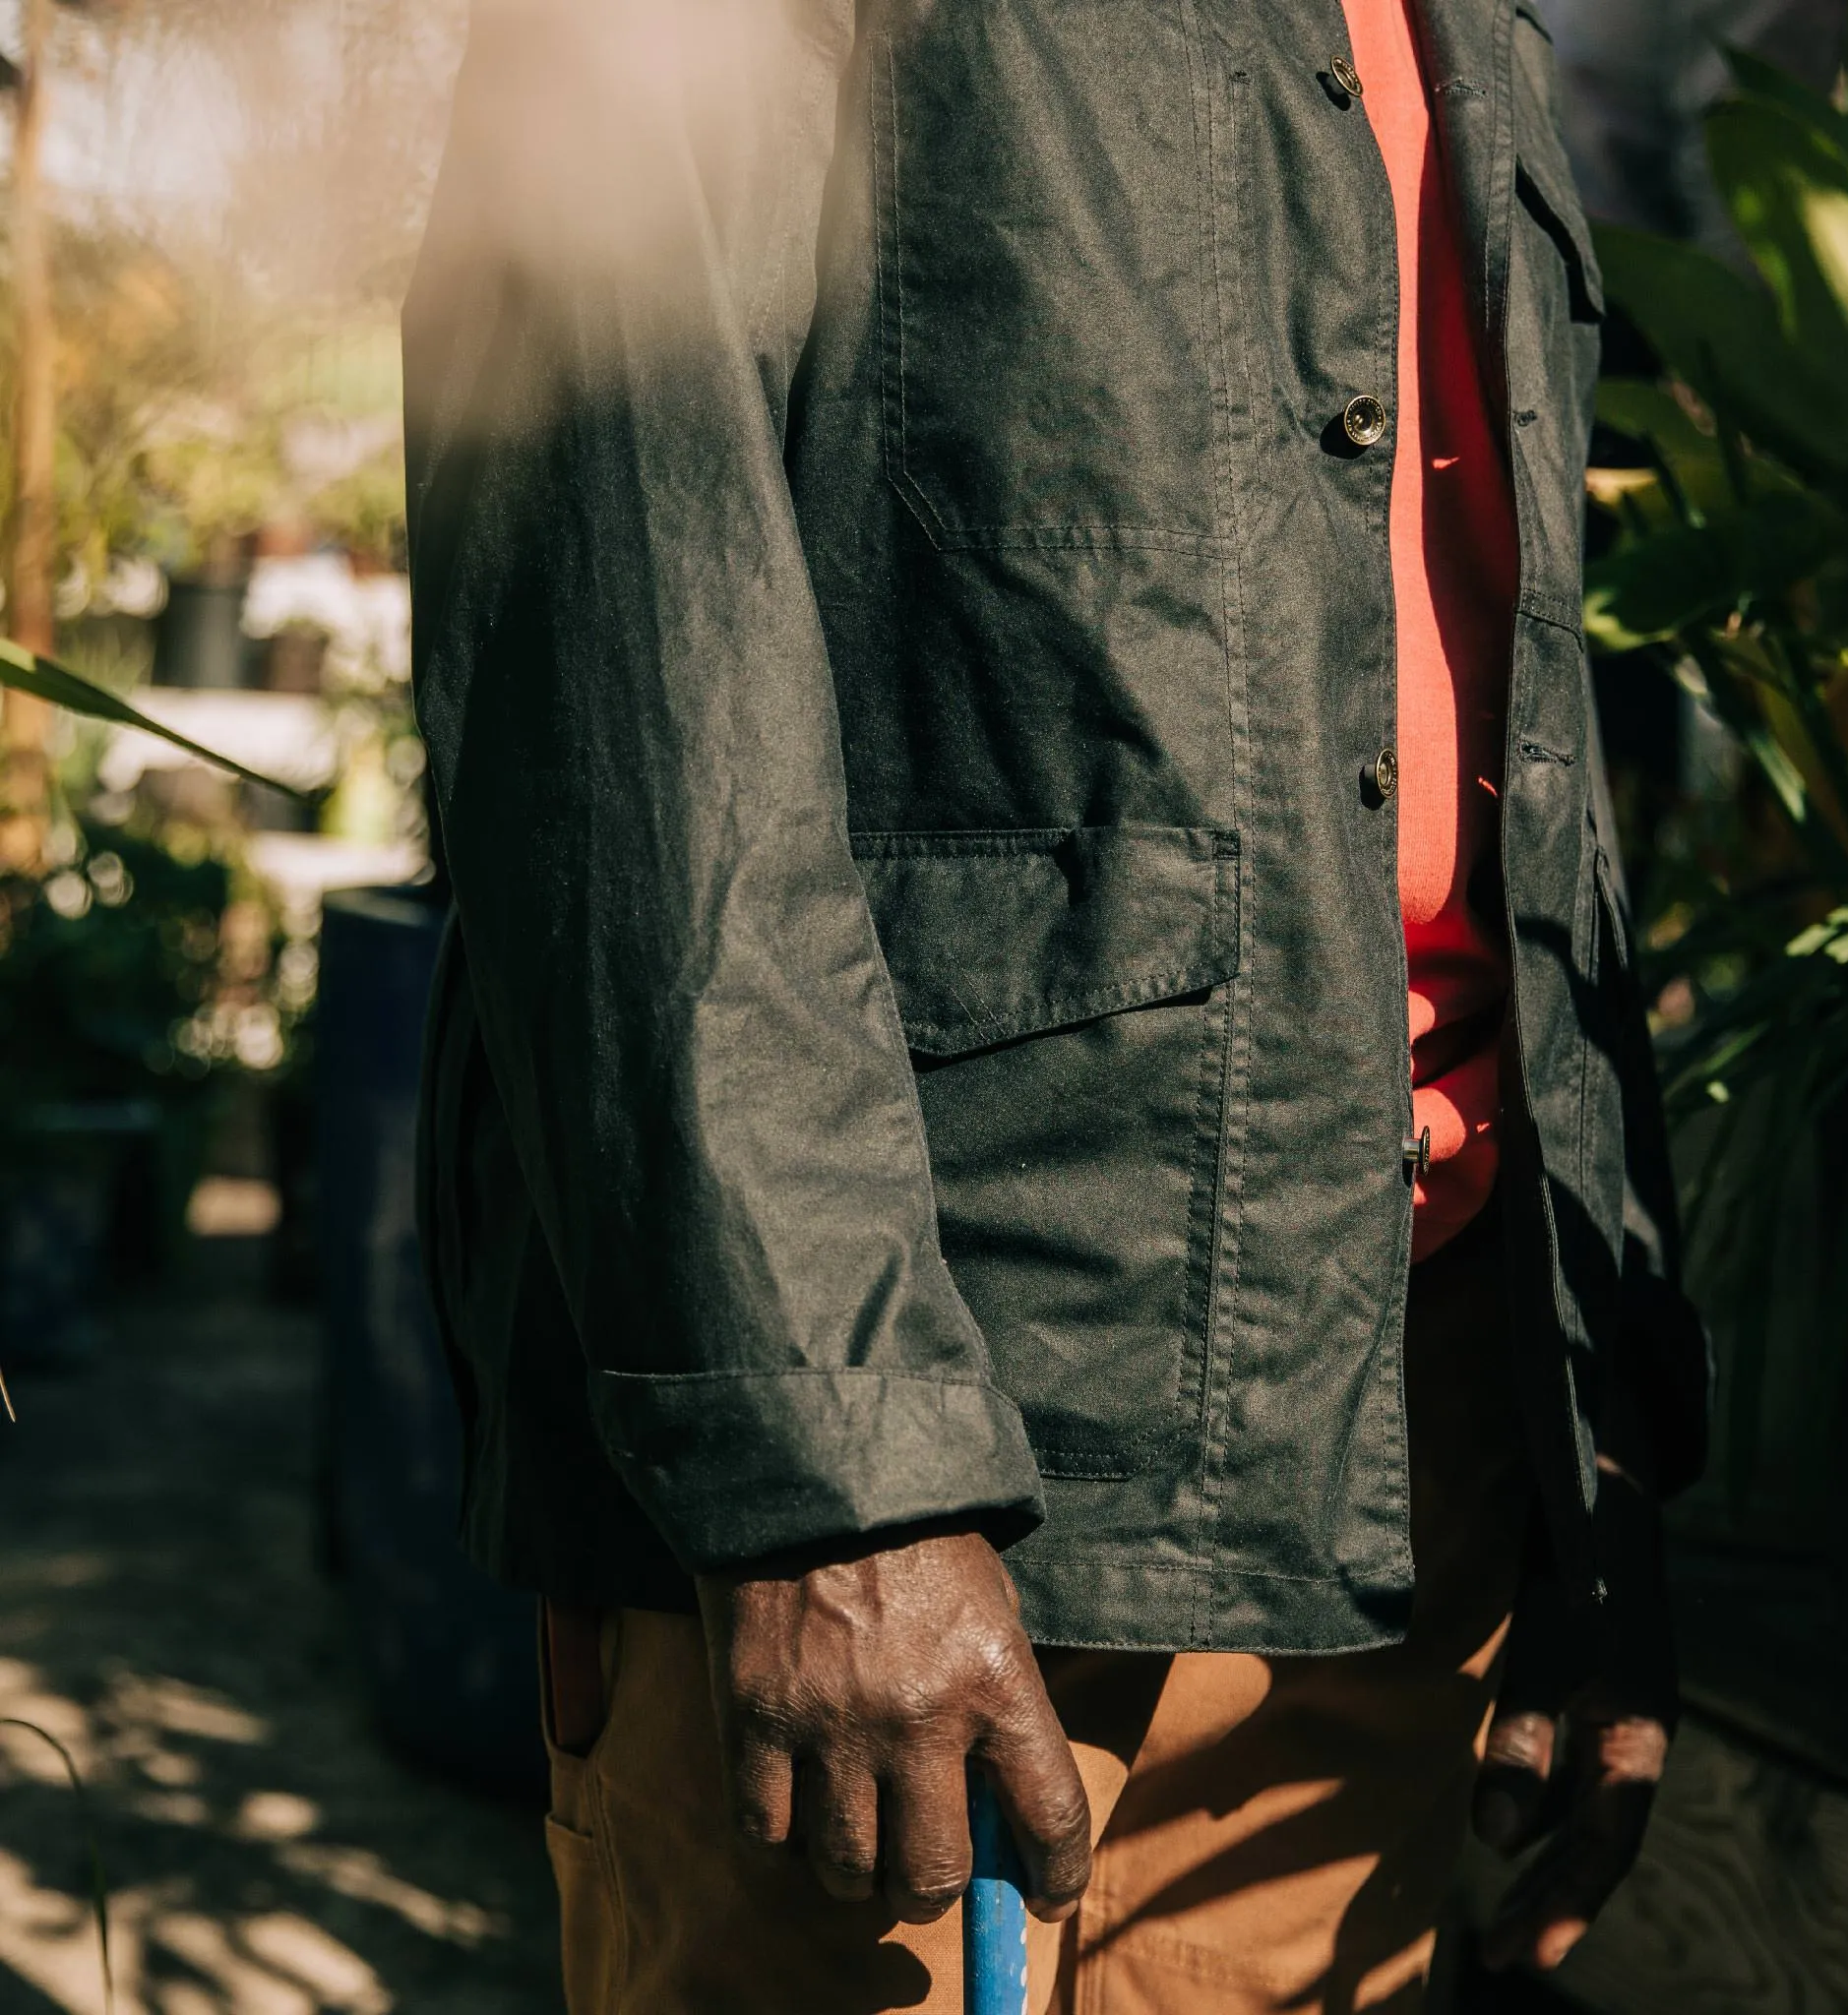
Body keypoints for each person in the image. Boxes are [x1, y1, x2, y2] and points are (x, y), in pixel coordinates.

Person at [401, 0, 1710, 2007]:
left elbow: (1491, 703)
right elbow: (614, 660)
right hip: (935, 1510)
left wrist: (1583, 1441)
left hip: (1386, 1466)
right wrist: (836, 1471)